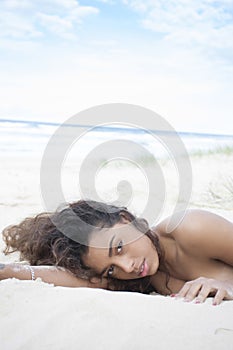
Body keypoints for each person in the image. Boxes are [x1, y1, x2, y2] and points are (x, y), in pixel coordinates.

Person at [1, 199, 233, 305]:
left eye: (119, 247)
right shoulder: (142, 278)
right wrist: (12, 271)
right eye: (111, 269)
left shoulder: (191, 228)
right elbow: (84, 280)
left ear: (126, 219)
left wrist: (227, 286)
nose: (127, 267)